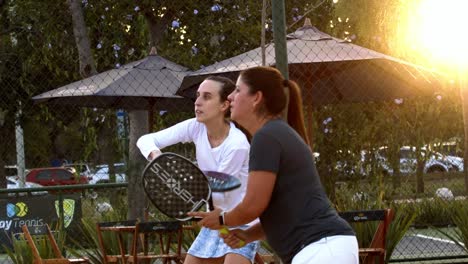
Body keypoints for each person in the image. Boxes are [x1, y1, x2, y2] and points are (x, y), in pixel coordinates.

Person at [189, 66, 359, 264]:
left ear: (256, 98)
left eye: (237, 90)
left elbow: (253, 205)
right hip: (324, 248)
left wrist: (221, 220)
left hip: (321, 249)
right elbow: (284, 209)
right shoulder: (273, 134)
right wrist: (248, 235)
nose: (231, 97)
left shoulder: (267, 137)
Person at [136, 76, 259, 264]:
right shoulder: (195, 127)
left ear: (224, 105)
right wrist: (158, 158)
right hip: (214, 221)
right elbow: (145, 140)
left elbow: (218, 194)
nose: (197, 102)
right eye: (198, 96)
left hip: (240, 222)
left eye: (207, 97)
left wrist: (181, 181)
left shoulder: (237, 144)